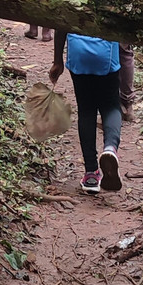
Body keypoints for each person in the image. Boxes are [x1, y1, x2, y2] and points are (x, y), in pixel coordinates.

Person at [50, 29, 122, 194]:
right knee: (110, 105)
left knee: (86, 110)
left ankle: (91, 174)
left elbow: (60, 25)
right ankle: (110, 148)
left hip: (78, 53)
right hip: (106, 52)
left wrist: (57, 60)